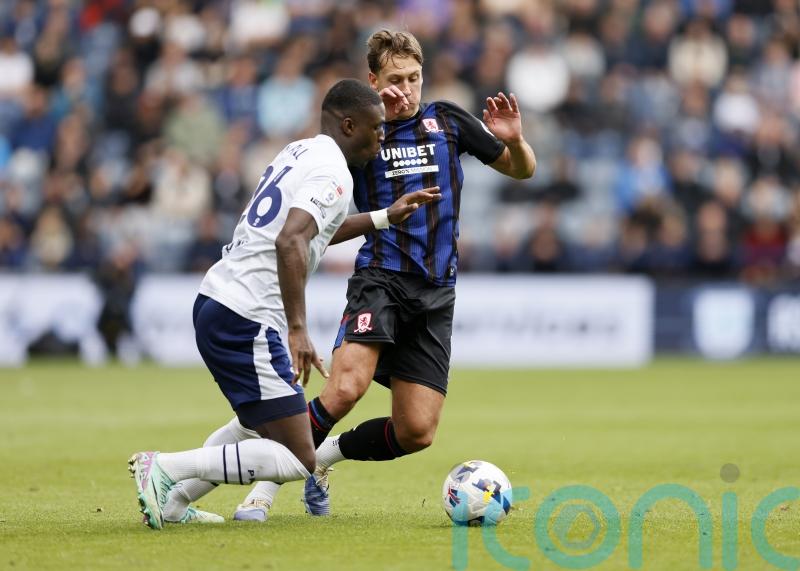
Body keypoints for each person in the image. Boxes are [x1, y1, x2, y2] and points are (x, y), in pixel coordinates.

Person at [233, 29, 536, 521]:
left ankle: (323, 459)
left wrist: (517, 142)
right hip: (381, 277)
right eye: (395, 80)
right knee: (346, 387)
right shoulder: (360, 138)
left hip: (437, 291)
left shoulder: (447, 121)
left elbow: (523, 171)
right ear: (373, 81)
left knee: (417, 430)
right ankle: (264, 489)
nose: (407, 90)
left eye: (415, 78)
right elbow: (322, 216)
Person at [128, 78, 440, 530]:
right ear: (349, 125)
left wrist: (382, 217)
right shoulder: (334, 172)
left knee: (254, 426)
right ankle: (165, 467)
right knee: (298, 456)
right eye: (376, 129)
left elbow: (314, 230)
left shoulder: (299, 151)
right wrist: (297, 328)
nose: (382, 139)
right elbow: (290, 239)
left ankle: (174, 501)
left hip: (219, 298)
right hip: (249, 314)